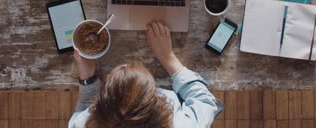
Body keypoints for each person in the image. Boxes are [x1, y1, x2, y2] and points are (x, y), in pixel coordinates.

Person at [69, 22, 224, 128]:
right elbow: (206, 103)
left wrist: (88, 78)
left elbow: (83, 110)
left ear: (101, 104)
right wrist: (168, 58)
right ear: (154, 101)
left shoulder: (81, 124)